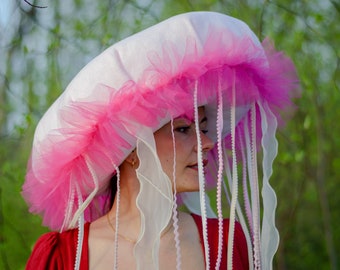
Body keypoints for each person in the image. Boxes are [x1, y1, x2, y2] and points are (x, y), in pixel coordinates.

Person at [22, 11, 298, 270]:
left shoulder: (226, 244)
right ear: (130, 149)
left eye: (203, 127)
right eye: (182, 129)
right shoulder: (61, 256)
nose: (207, 143)